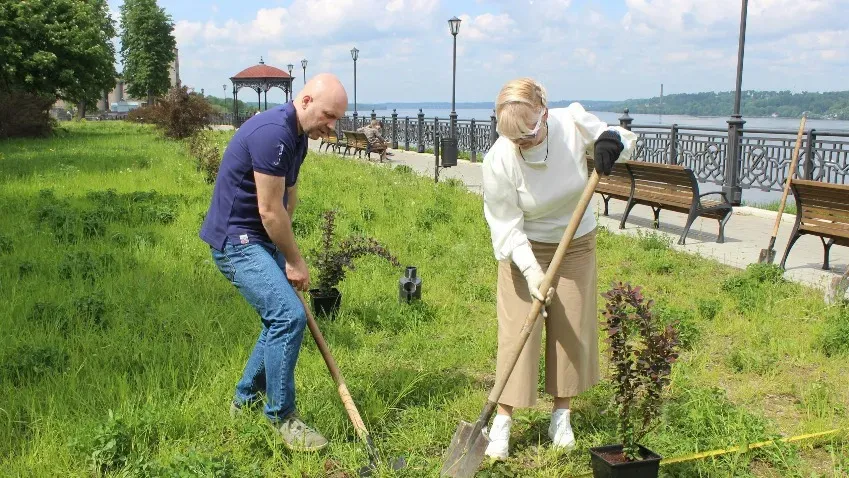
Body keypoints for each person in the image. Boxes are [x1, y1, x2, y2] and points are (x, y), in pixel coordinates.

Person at [480, 77, 636, 460]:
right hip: (525, 247)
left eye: (529, 134)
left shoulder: (571, 123)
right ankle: (501, 421)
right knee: (519, 330)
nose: (522, 144)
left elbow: (622, 140)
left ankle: (561, 415)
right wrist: (533, 273)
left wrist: (612, 143)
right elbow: (506, 226)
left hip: (575, 242)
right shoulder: (499, 159)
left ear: (544, 114)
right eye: (513, 138)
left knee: (570, 327)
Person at [199, 73, 348, 452]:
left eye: (337, 119)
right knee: (288, 317)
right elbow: (268, 210)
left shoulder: (298, 136)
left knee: (278, 317)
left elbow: (286, 201)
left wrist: (283, 251)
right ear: (306, 100)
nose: (332, 127)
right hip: (236, 240)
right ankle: (282, 417)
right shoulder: (273, 133)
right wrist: (296, 261)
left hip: (261, 237)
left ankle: (244, 400)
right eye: (329, 116)